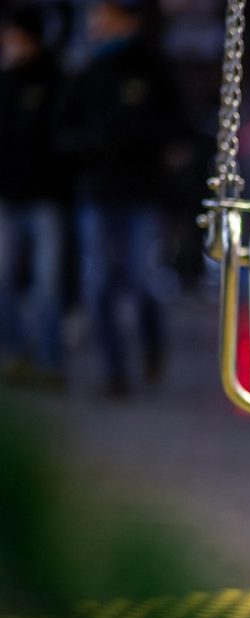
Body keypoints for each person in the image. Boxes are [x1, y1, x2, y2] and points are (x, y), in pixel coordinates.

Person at [59, 0, 181, 396]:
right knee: (99, 283)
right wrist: (90, 147)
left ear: (126, 20)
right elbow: (63, 128)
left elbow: (174, 124)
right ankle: (114, 371)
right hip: (97, 189)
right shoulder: (88, 69)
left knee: (142, 278)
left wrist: (137, 141)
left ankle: (151, 347)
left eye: (106, 15)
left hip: (140, 189)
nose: (98, 23)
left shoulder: (152, 66)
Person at [0, 5, 66, 388]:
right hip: (8, 193)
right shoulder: (6, 80)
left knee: (46, 282)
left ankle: (48, 358)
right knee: (4, 279)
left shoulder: (54, 79)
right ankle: (15, 351)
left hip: (45, 195)